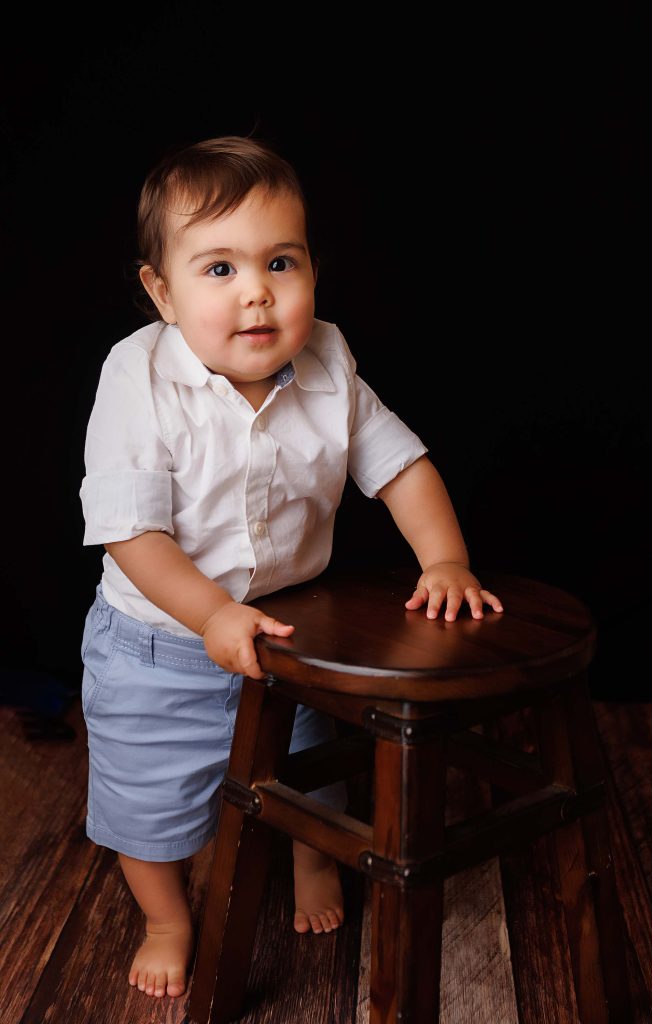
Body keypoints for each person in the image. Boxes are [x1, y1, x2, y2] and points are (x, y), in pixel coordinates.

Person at [79, 134, 504, 1001]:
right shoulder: (137, 377)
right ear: (160, 291)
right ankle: (167, 916)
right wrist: (209, 615)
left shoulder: (328, 362)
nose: (257, 293)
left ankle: (314, 861)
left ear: (312, 268)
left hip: (285, 628)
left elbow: (399, 466)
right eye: (219, 270)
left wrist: (446, 558)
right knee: (145, 804)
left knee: (310, 764)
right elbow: (133, 535)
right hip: (156, 643)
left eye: (280, 261)